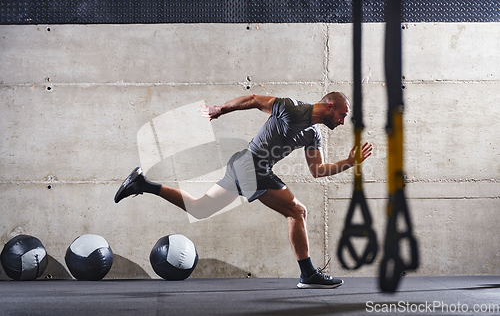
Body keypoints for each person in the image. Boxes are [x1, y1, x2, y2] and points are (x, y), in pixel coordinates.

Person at [114, 92, 373, 289]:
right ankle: (308, 274)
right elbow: (253, 99)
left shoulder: (313, 135)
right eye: (342, 114)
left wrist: (349, 162)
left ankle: (142, 184)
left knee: (199, 208)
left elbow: (317, 170)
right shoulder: (291, 108)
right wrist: (220, 109)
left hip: (245, 167)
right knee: (297, 211)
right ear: (330, 106)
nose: (342, 121)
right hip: (250, 164)